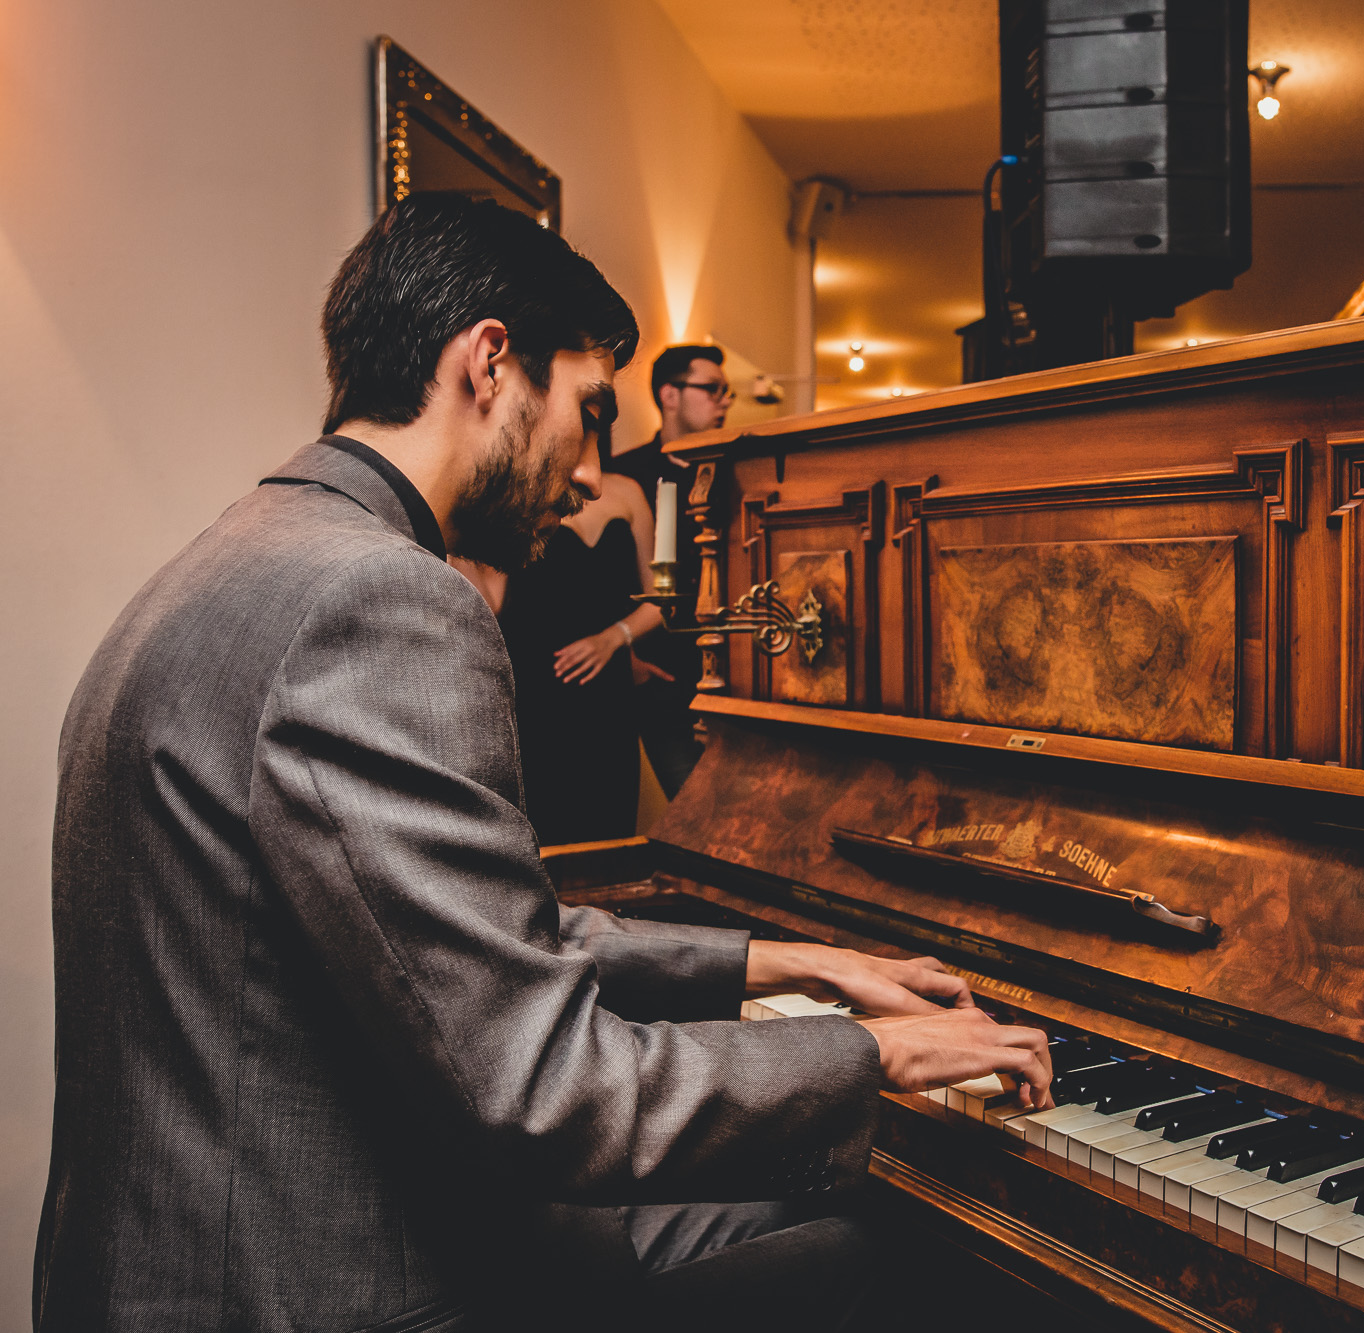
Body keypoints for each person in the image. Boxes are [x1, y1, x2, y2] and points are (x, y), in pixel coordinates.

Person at [37, 192, 1052, 1333]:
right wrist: (873, 1049)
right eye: (587, 408)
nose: (586, 469)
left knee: (790, 1218)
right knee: (897, 1260)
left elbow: (462, 942)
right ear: (487, 364)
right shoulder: (382, 597)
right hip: (326, 1285)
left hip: (206, 1256)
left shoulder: (240, 554)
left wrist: (786, 961)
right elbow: (542, 1087)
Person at [498, 450, 662, 845]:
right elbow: (494, 600)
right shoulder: (518, 489)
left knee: (611, 827)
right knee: (547, 831)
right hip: (540, 689)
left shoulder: (628, 492)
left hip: (611, 695)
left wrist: (613, 639)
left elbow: (659, 600)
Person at [604, 344, 733, 793]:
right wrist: (627, 655)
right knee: (690, 808)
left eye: (727, 391)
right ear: (670, 395)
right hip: (663, 680)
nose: (725, 400)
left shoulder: (739, 472)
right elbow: (602, 576)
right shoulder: (623, 475)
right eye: (712, 388)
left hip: (734, 676)